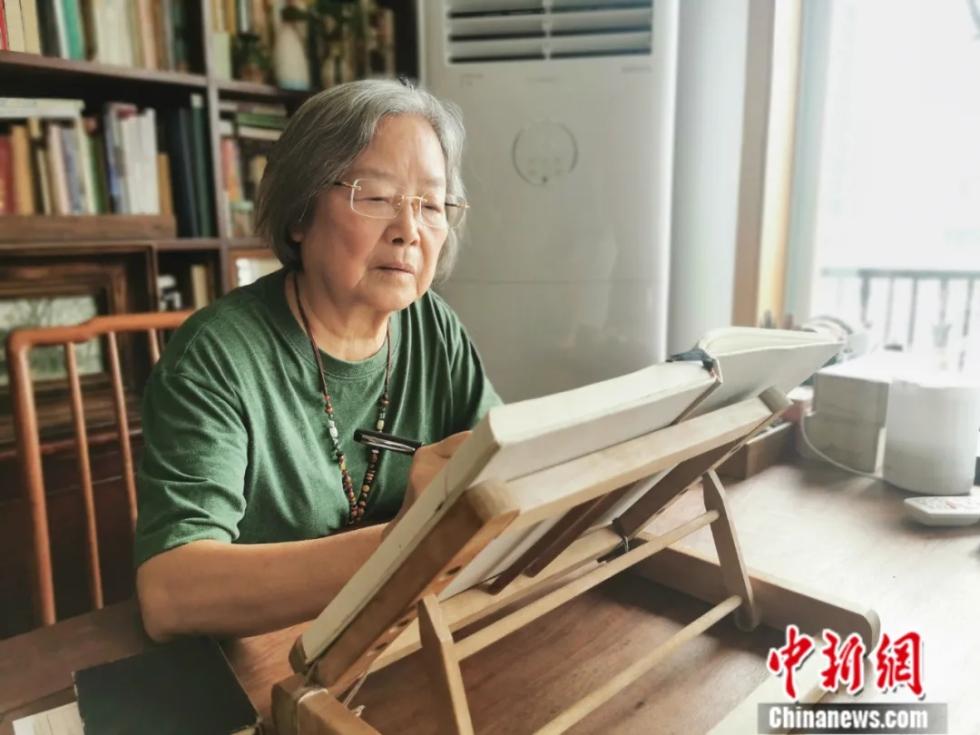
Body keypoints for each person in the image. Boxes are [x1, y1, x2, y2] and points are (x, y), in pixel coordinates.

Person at [134, 79, 502, 642]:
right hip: (261, 655)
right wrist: (409, 545)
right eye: (375, 197)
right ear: (300, 213)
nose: (408, 231)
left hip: (390, 637)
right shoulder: (216, 356)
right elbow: (170, 594)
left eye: (430, 205)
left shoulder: (433, 326)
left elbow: (501, 473)